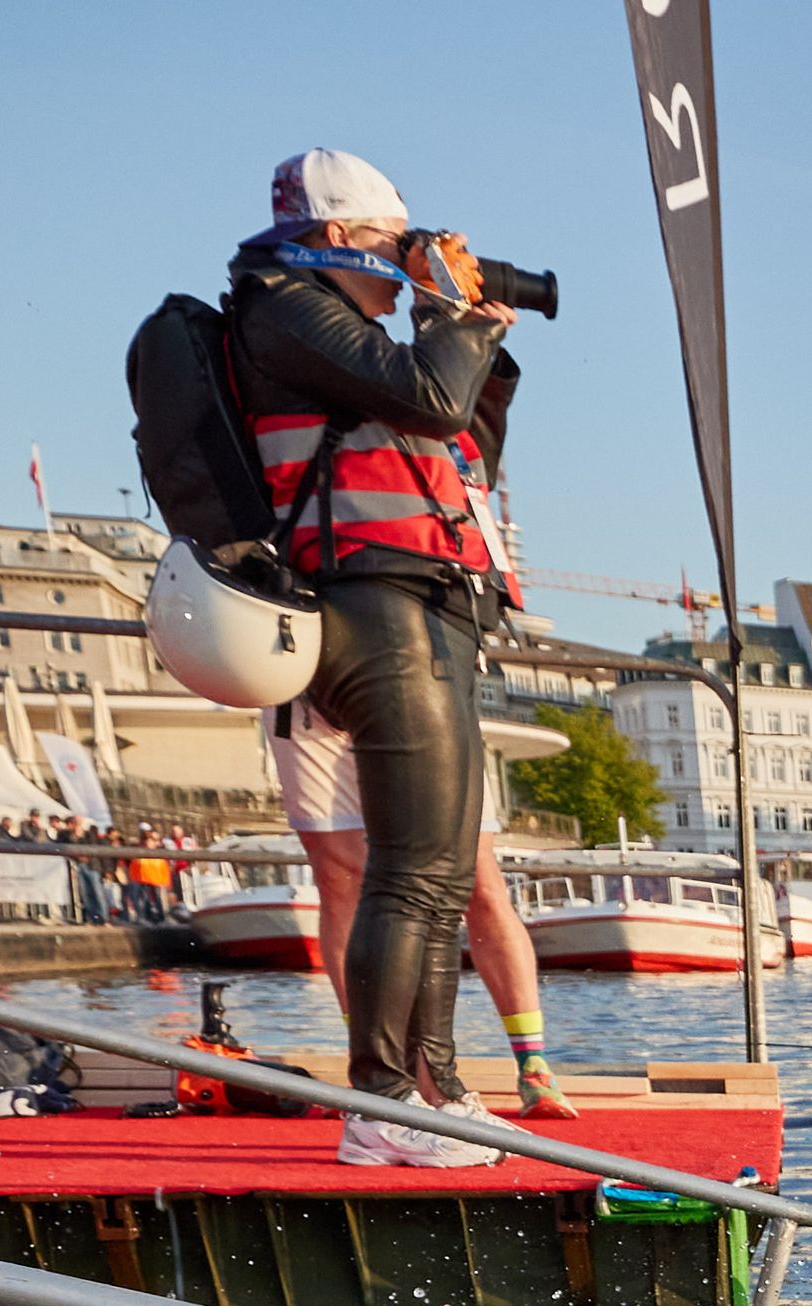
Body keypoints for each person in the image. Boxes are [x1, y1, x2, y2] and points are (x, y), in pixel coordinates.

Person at [227, 147, 525, 1167]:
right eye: (395, 248)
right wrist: (450, 318)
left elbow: (465, 435)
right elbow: (433, 399)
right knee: (406, 873)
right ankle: (384, 1103)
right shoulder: (284, 306)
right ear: (341, 239)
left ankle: (437, 1086)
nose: (407, 267)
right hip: (369, 604)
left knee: (438, 874)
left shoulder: (345, 336)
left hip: (425, 603)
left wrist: (482, 335)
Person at [271, 707, 578, 1116]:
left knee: (479, 880)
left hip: (418, 683)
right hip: (303, 693)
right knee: (339, 881)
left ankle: (533, 1064)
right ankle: (375, 1065)